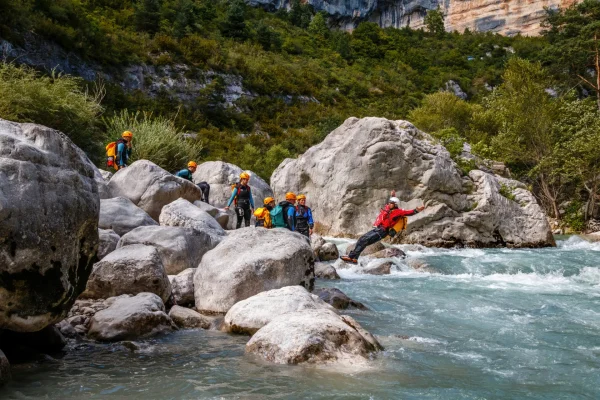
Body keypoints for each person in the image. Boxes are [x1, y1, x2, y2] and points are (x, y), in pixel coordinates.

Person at [340, 194, 425, 264]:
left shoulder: (398, 212)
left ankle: (351, 257)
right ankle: (355, 259)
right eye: (389, 202)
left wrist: (417, 210)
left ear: (395, 204)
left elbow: (409, 213)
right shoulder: (389, 209)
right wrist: (393, 195)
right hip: (378, 229)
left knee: (364, 240)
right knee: (361, 240)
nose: (389, 204)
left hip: (383, 231)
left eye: (391, 203)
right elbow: (389, 206)